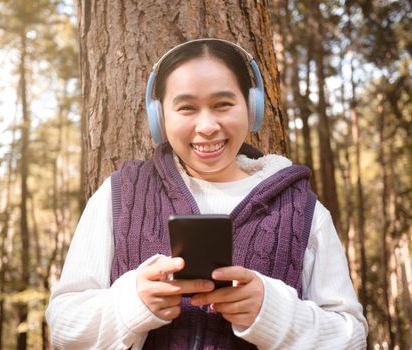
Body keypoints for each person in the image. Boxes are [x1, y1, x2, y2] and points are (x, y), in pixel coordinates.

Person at [46, 38, 368, 349]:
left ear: (251, 107)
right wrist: (130, 304)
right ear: (160, 117)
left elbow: (350, 337)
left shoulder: (303, 208)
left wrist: (275, 315)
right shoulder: (118, 194)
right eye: (186, 108)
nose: (207, 126)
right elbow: (64, 326)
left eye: (223, 104)